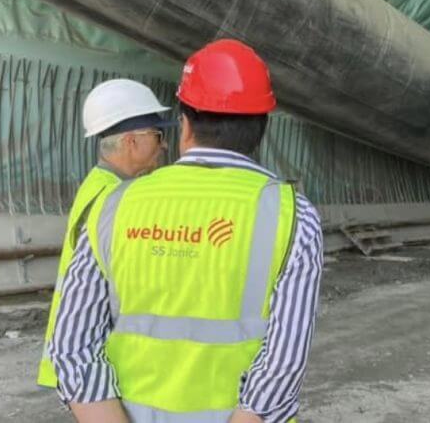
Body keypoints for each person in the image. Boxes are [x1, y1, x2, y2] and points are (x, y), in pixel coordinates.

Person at [49, 39, 323, 423]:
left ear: (185, 123)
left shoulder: (113, 206)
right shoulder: (293, 216)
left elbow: (72, 348)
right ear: (262, 125)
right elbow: (283, 366)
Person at [37, 78, 173, 389]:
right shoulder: (113, 199)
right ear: (131, 141)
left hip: (83, 358)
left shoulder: (101, 185)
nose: (164, 144)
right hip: (90, 362)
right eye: (158, 135)